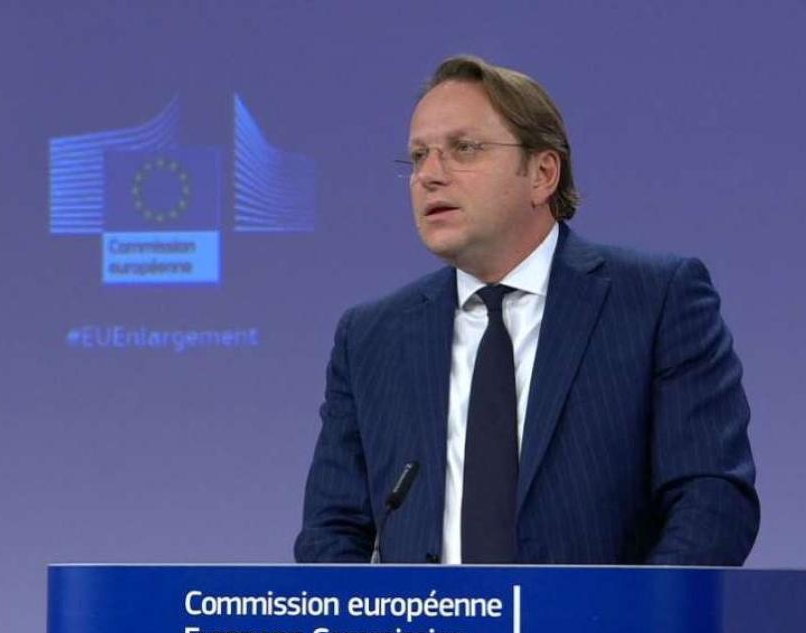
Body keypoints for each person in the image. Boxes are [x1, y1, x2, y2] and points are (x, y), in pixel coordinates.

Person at [294, 55, 759, 565]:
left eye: (464, 148)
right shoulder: (370, 337)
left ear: (542, 173)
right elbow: (330, 532)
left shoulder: (656, 300)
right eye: (418, 156)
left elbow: (711, 498)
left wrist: (637, 609)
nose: (428, 175)